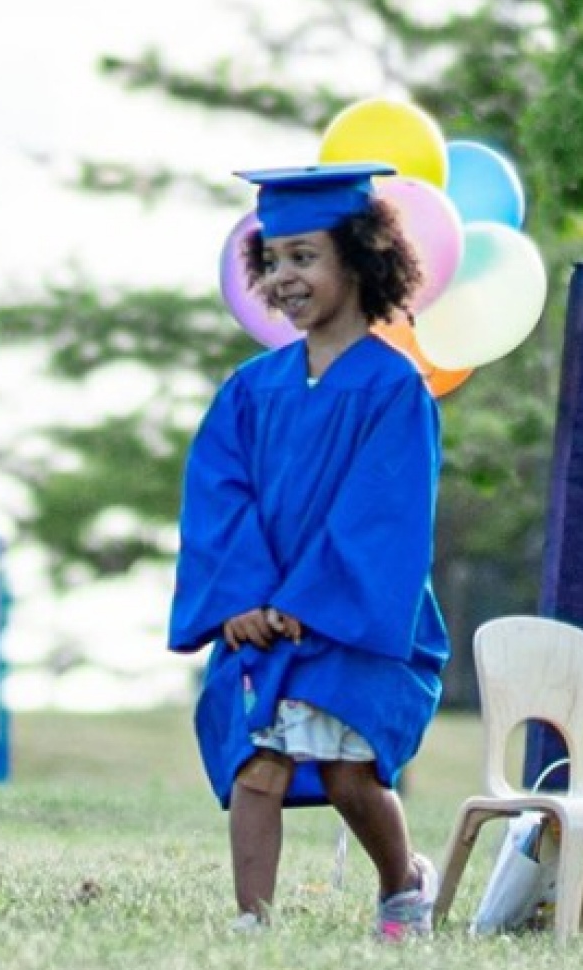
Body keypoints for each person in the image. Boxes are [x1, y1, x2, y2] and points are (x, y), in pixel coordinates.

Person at [171, 165, 449, 939]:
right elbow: (220, 499)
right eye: (276, 260)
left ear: (360, 261)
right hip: (260, 620)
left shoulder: (396, 390)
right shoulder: (251, 389)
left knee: (350, 775)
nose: (286, 277)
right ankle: (251, 923)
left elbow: (384, 517)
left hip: (354, 624)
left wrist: (304, 602)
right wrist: (240, 602)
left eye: (306, 257)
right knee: (254, 769)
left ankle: (403, 884)